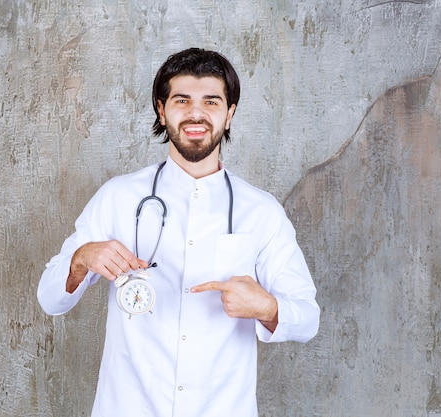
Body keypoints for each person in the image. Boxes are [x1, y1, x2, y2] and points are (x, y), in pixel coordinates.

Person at [37, 47, 320, 417]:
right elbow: (50, 299)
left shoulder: (262, 212)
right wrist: (81, 260)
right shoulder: (118, 197)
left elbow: (307, 318)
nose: (195, 114)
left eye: (211, 101)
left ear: (229, 114)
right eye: (182, 100)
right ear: (161, 109)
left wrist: (266, 306)